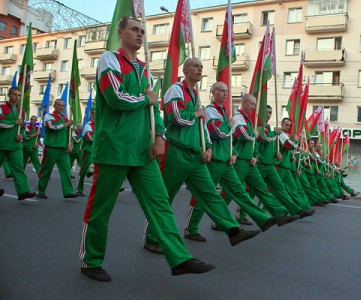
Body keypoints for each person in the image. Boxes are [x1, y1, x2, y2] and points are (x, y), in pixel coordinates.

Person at [79, 17, 214, 282]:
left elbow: (154, 110)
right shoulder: (110, 59)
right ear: (121, 33)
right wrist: (146, 98)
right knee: (101, 209)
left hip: (144, 152)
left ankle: (179, 258)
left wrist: (160, 135)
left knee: (161, 203)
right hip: (114, 149)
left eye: (143, 31)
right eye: (134, 30)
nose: (140, 35)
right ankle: (91, 260)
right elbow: (113, 97)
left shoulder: (147, 70)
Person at [144, 58, 260, 254]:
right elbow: (174, 117)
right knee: (165, 197)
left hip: (196, 155)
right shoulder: (176, 89)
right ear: (186, 69)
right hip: (177, 151)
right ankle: (152, 238)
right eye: (196, 66)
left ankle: (232, 229)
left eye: (201, 67)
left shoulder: (195, 96)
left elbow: (202, 128)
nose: (200, 69)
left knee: (210, 193)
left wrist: (208, 146)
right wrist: (196, 114)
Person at [183, 82, 279, 242]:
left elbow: (229, 140)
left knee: (239, 191)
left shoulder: (225, 113)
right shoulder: (210, 111)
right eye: (221, 90)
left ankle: (263, 219)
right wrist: (230, 125)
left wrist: (233, 152)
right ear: (213, 93)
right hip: (214, 159)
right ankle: (191, 228)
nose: (225, 93)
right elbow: (216, 132)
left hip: (226, 161)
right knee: (205, 195)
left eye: (227, 91)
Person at [225, 94, 298, 223]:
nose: (254, 107)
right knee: (233, 191)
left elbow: (255, 143)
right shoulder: (239, 118)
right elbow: (242, 135)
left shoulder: (249, 121)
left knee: (262, 189)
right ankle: (220, 218)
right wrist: (258, 134)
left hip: (252, 161)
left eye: (255, 105)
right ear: (244, 102)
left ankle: (279, 214)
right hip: (241, 160)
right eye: (252, 104)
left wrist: (256, 155)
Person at [0, 87, 36, 200]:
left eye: (19, 95)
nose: (17, 97)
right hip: (1, 143)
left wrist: (21, 136)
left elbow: (23, 127)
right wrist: (15, 122)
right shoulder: (2, 108)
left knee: (19, 168)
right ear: (9, 95)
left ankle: (23, 191)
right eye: (14, 94)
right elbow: (1, 123)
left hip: (15, 145)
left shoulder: (22, 112)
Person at [37, 99, 77, 199]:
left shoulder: (65, 118)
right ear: (54, 106)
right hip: (51, 148)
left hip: (63, 150)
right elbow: (53, 127)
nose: (61, 107)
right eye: (59, 105)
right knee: (46, 170)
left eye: (63, 106)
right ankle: (41, 191)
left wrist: (70, 144)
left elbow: (70, 134)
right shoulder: (49, 116)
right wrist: (66, 124)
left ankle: (68, 191)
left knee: (66, 171)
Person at [76, 109, 95, 196]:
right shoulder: (88, 125)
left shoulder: (101, 123)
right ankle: (79, 189)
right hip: (89, 150)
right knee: (84, 170)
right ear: (91, 114)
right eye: (95, 113)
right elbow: (89, 137)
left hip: (99, 150)